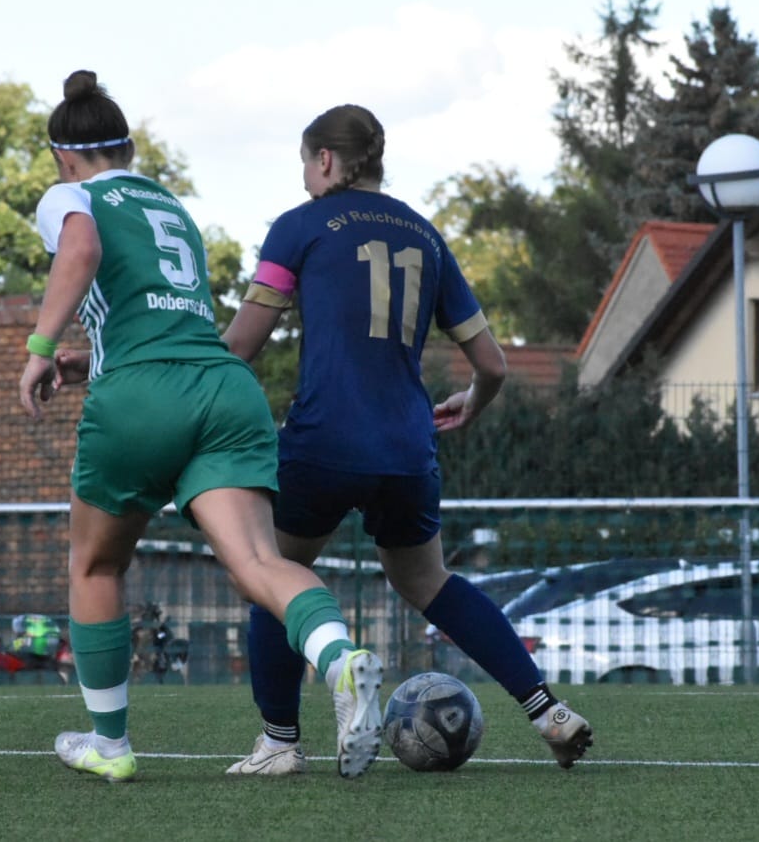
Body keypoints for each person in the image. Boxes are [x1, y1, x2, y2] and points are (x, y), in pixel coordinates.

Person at [18, 72, 384, 783]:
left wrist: (39, 348)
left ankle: (110, 746)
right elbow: (166, 320)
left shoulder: (70, 195)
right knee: (258, 564)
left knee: (96, 565)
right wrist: (91, 360)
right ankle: (340, 659)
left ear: (63, 156)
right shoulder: (170, 204)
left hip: (141, 400)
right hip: (223, 389)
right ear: (128, 147)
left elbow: (81, 251)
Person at [218, 104, 594, 774]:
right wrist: (471, 404)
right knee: (428, 581)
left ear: (324, 159)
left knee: (271, 575)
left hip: (323, 439)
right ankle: (547, 710)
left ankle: (279, 742)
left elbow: (240, 346)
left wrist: (173, 376)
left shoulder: (299, 226)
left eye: (305, 162)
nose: (304, 176)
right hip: (406, 445)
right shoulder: (425, 234)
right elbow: (492, 366)